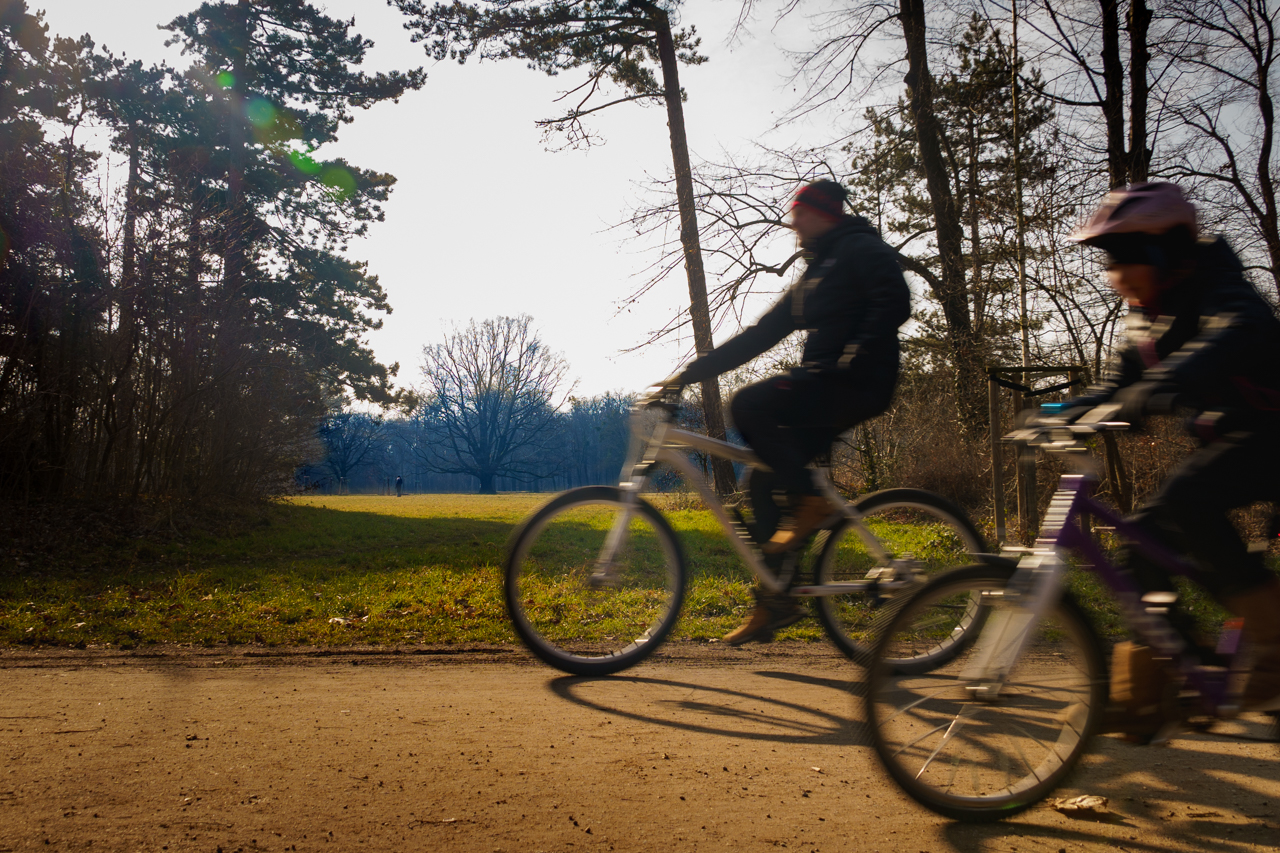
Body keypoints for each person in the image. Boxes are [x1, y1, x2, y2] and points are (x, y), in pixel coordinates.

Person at [1052, 181, 1280, 714]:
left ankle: (1274, 643)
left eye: (1124, 259)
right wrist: (1054, 414)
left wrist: (1158, 387)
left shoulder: (1221, 287)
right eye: (1110, 262)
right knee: (1138, 545)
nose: (1115, 275)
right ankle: (1173, 680)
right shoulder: (1146, 317)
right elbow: (1114, 386)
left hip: (1273, 432)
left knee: (1187, 499)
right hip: (1238, 438)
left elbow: (1236, 331)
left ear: (1163, 251)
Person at [657, 179, 911, 645]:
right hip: (828, 382)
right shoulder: (817, 272)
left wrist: (856, 354)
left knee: (748, 403)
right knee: (764, 483)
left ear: (822, 213)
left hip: (857, 380)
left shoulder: (858, 248)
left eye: (800, 212)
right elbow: (762, 333)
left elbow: (894, 300)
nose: (793, 221)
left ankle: (811, 503)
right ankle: (776, 604)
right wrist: (690, 373)